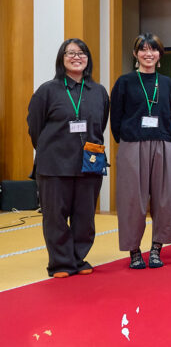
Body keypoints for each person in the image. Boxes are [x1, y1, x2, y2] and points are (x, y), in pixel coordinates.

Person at [27, 39, 110, 278]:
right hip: (54, 163)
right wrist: (49, 148)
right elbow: (35, 127)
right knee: (55, 216)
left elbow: (100, 124)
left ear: (88, 59)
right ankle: (61, 262)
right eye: (70, 53)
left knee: (85, 215)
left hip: (89, 162)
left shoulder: (99, 92)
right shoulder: (47, 90)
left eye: (81, 52)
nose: (77, 57)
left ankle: (78, 257)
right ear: (61, 59)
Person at [110, 33, 171, 269]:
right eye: (143, 49)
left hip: (163, 143)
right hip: (132, 144)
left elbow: (170, 113)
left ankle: (156, 250)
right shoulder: (125, 82)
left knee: (165, 198)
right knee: (132, 199)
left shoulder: (168, 83)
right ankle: (134, 252)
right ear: (135, 54)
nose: (148, 53)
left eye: (153, 49)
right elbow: (116, 117)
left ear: (160, 55)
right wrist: (127, 138)